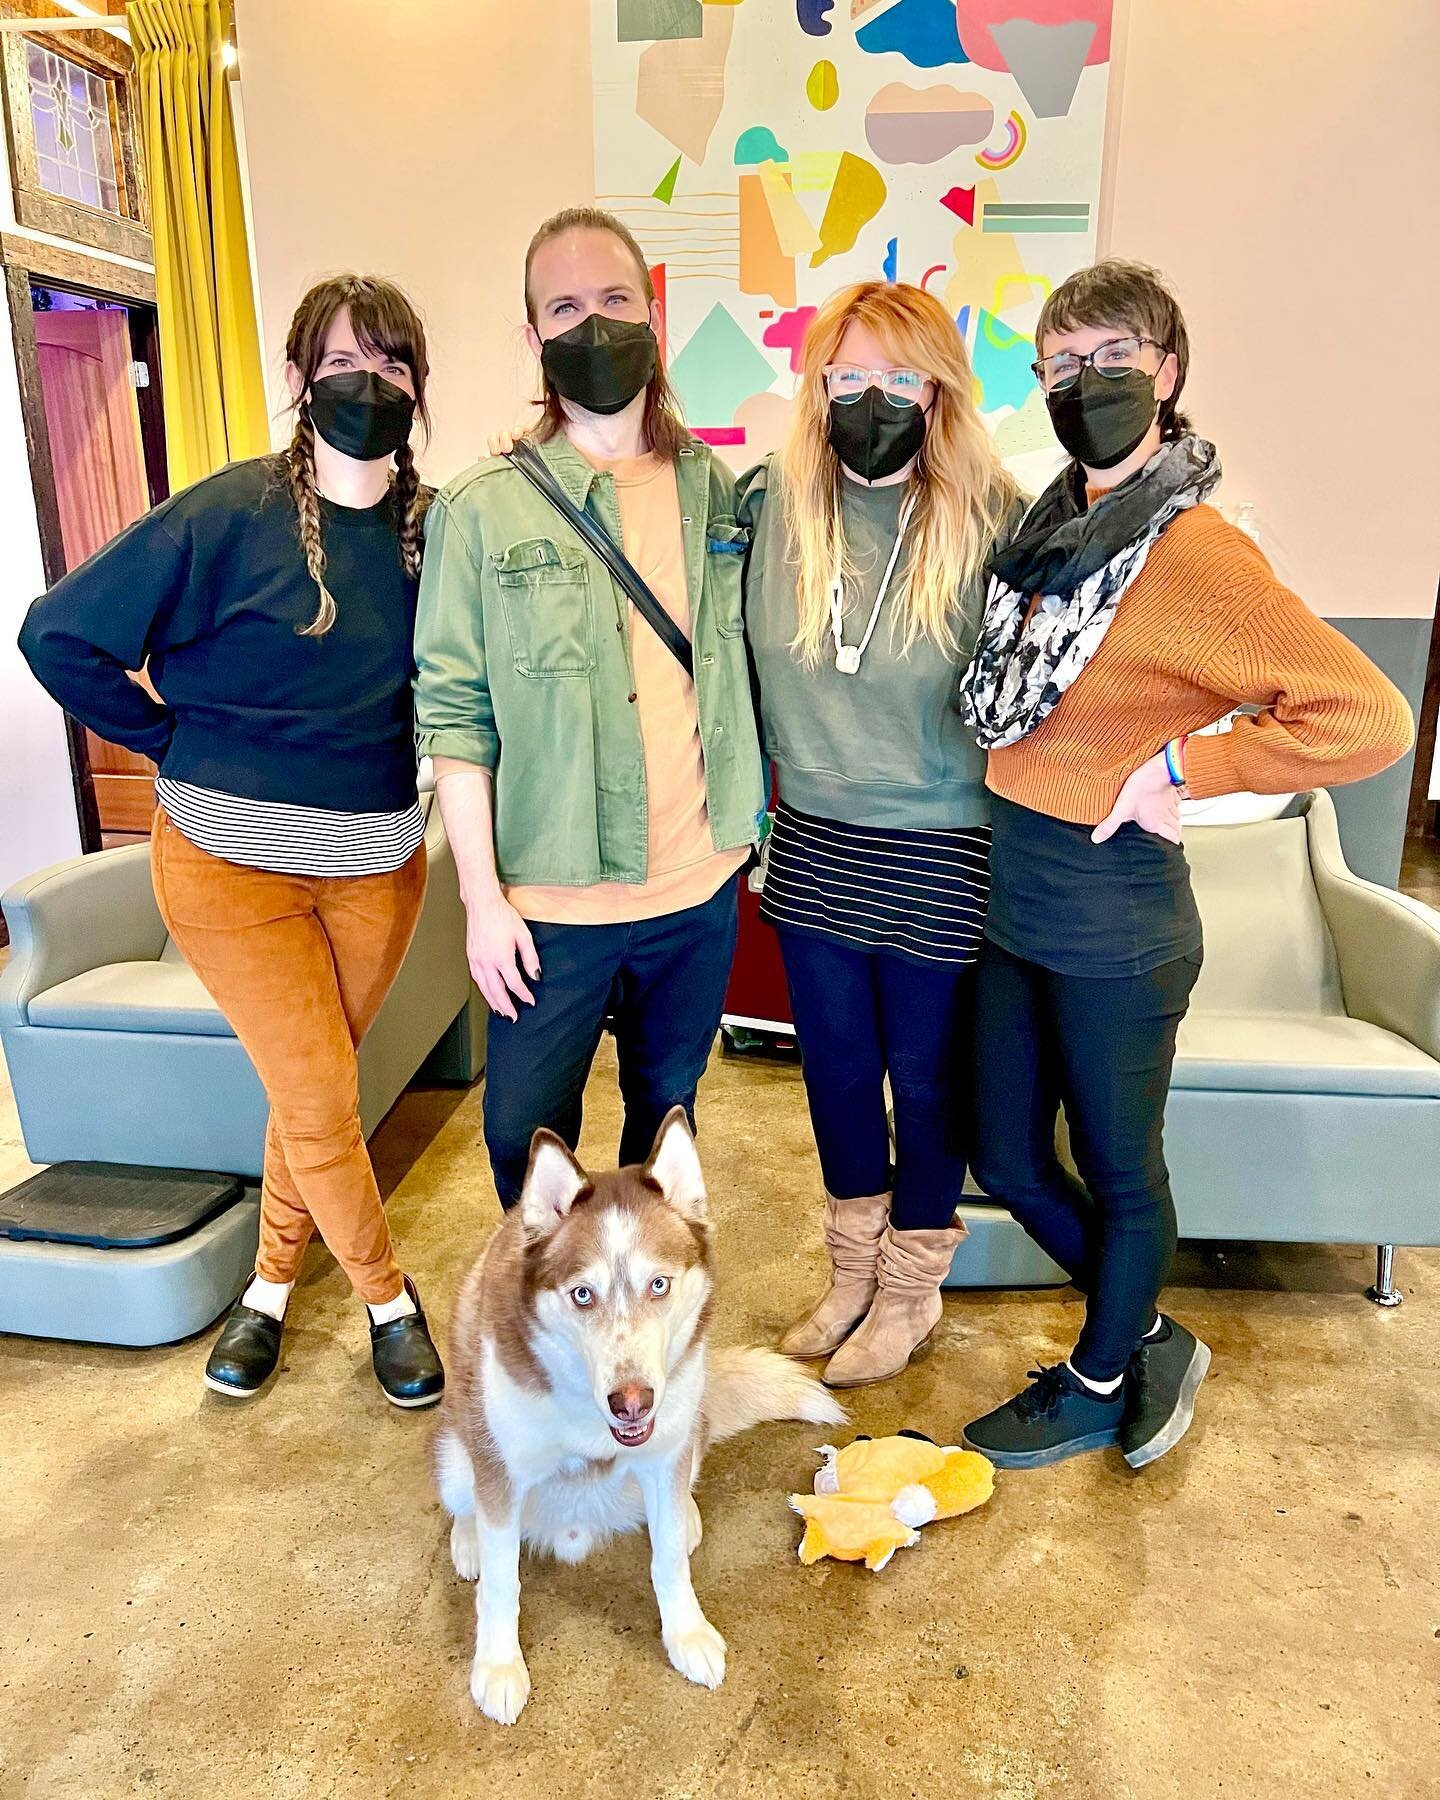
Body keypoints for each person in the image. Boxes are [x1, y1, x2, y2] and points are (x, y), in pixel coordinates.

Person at [954, 260, 1414, 1469]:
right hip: (1016, 901)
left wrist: (1183, 775)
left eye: (1112, 359)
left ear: (1167, 374)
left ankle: (1104, 1373)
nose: (1084, 382)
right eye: (1061, 364)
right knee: (1001, 1152)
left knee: (1120, 1169)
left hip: (1117, 920)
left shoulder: (1197, 550)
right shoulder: (1047, 529)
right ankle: (1150, 1328)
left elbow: (1368, 717)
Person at [19, 275, 446, 1410]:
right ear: (299, 381)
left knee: (312, 1091)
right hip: (226, 867)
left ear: (419, 387)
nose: (372, 384)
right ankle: (388, 1304)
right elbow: (56, 634)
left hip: (376, 873)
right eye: (346, 363)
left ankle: (265, 1291)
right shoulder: (227, 512)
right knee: (316, 1096)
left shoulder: (434, 532)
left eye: (395, 365)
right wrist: (167, 741)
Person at [413, 207, 763, 1208]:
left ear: (653, 312)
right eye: (565, 306)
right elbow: (454, 715)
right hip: (549, 904)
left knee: (667, 1123)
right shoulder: (480, 507)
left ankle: (637, 1332)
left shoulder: (717, 493)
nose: (593, 323)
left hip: (695, 891)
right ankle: (547, 1346)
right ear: (533, 337)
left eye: (614, 299)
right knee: (524, 1149)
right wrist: (482, 899)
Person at [740, 281, 1022, 1389]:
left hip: (945, 840)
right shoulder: (775, 504)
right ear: (817, 388)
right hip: (811, 833)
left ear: (941, 389)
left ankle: (911, 1289)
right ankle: (852, 1273)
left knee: (929, 1077)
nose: (873, 401)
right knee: (840, 1077)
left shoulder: (995, 514)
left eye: (901, 378)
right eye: (848, 377)